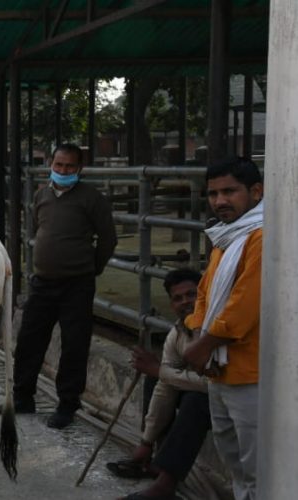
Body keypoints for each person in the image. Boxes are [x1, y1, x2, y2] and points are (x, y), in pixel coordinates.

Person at [12, 143, 117, 429]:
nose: (63, 170)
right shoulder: (42, 195)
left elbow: (108, 239)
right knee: (29, 340)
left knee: (74, 345)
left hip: (77, 285)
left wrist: (92, 267)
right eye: (59, 165)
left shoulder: (91, 198)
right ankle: (23, 396)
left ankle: (67, 404)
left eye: (70, 166)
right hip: (43, 282)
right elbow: (37, 227)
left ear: (79, 169)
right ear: (50, 163)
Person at [183, 157, 263, 500]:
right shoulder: (227, 236)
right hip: (220, 367)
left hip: (252, 371)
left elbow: (246, 304)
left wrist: (205, 343)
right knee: (234, 460)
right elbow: (205, 291)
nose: (220, 201)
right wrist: (198, 331)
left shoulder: (261, 236)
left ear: (256, 191)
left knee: (258, 465)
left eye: (229, 191)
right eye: (213, 193)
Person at [109, 269, 210, 500]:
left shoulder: (214, 328)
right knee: (157, 380)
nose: (185, 302)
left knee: (196, 400)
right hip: (201, 389)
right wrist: (146, 441)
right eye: (177, 298)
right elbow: (165, 385)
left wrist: (160, 370)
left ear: (204, 294)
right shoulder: (178, 332)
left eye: (191, 295)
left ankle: (166, 485)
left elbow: (214, 385)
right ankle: (156, 459)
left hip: (231, 398)